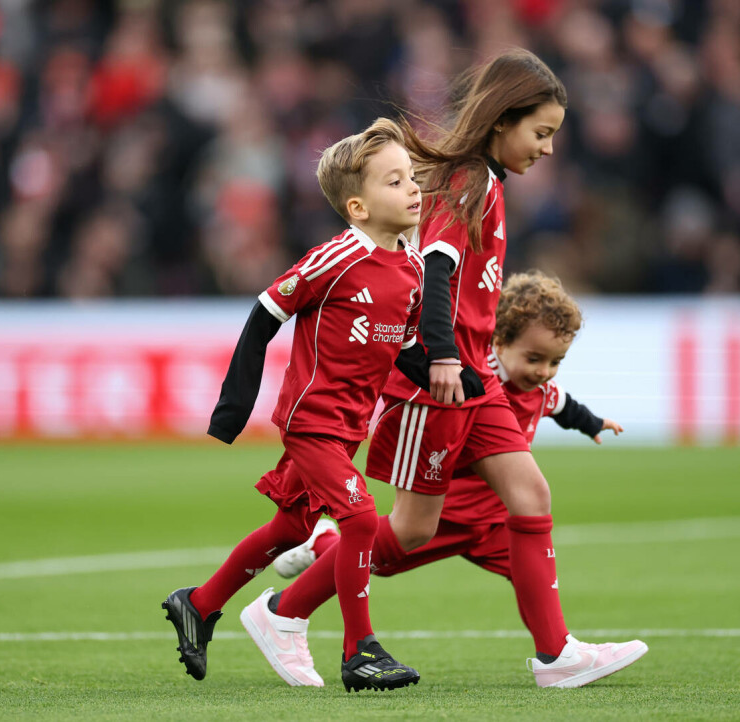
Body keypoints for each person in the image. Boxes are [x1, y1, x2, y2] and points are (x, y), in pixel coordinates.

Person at [249, 49, 647, 689]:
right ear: (503, 120)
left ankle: (557, 655)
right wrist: (439, 355)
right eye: (541, 132)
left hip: (477, 375)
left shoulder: (485, 182)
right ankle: (283, 612)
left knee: (530, 494)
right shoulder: (469, 181)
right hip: (441, 381)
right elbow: (436, 271)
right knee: (411, 529)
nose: (547, 148)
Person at [160, 117, 482, 692]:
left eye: (411, 178)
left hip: (349, 426)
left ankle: (200, 604)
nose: (413, 189)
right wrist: (232, 410)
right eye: (394, 182)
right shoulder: (336, 258)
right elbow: (265, 314)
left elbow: (406, 349)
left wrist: (461, 379)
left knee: (291, 527)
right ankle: (361, 651)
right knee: (359, 518)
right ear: (357, 207)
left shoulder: (412, 268)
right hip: (311, 423)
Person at [268, 270, 648, 688]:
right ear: (498, 343)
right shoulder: (476, 387)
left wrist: (593, 423)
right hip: (450, 515)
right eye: (534, 359)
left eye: (555, 362)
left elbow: (564, 406)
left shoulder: (540, 391)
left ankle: (557, 653)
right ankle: (300, 582)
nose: (544, 372)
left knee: (532, 564)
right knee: (380, 559)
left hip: (493, 522)